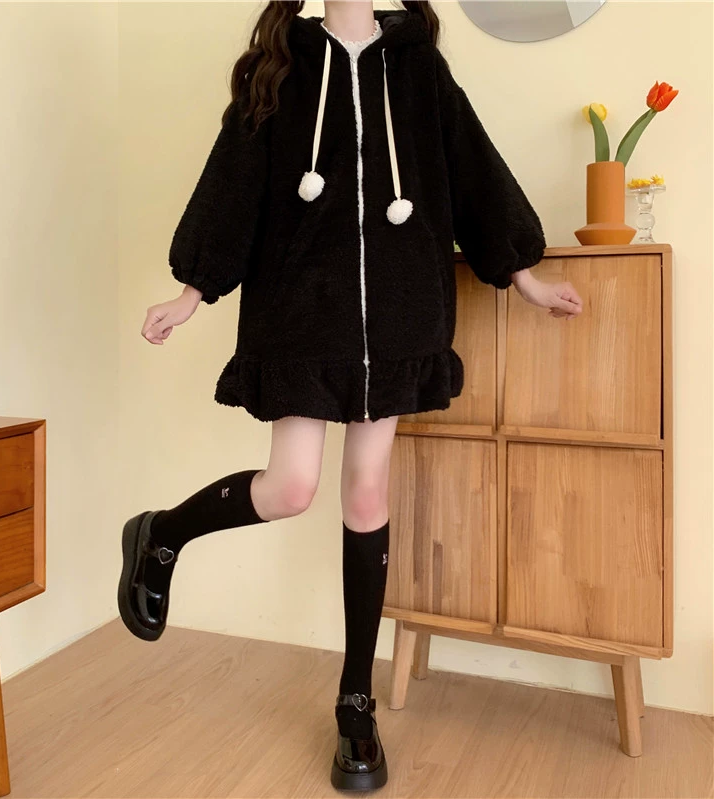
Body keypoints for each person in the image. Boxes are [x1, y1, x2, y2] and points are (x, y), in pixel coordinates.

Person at [118, 0, 583, 791]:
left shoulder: (418, 64)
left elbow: (471, 165)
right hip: (302, 311)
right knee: (291, 487)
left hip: (400, 315)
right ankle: (161, 533)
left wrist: (524, 276)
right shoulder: (282, 65)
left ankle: (355, 703)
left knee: (367, 495)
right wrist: (192, 291)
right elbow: (235, 182)